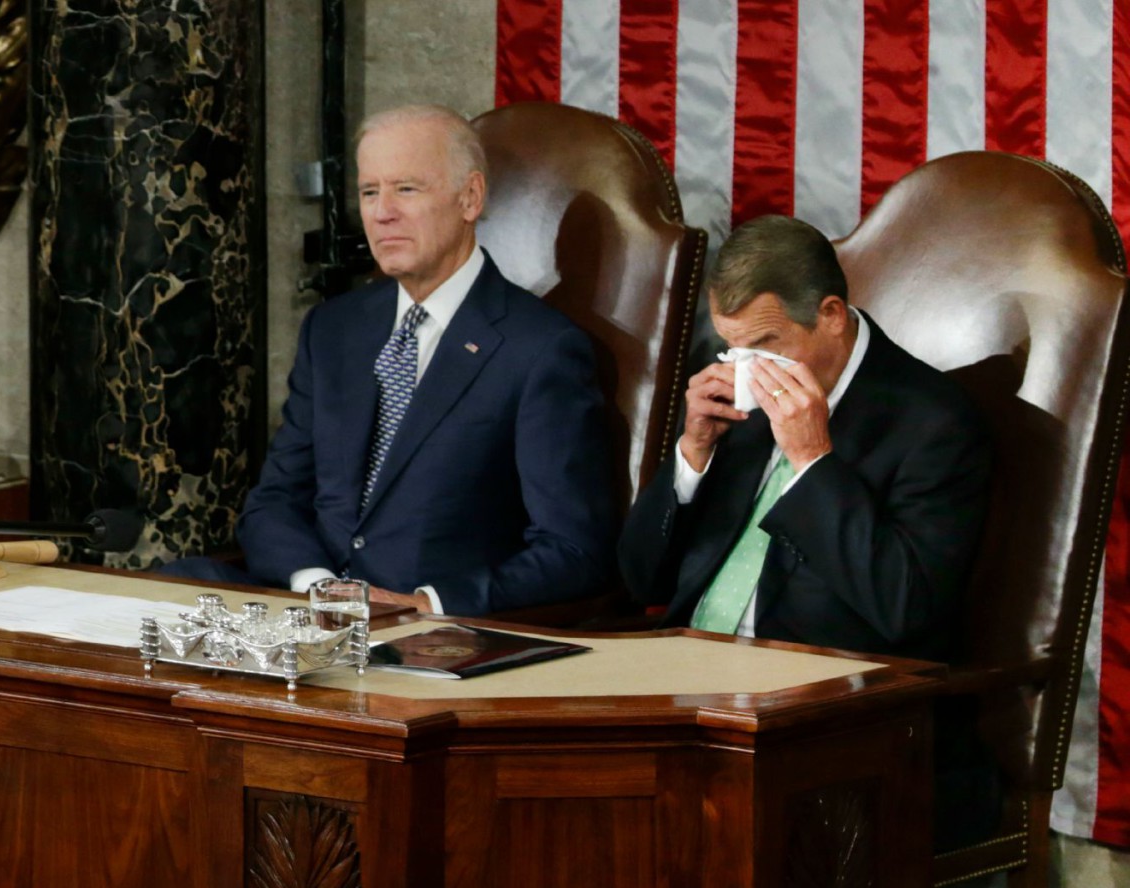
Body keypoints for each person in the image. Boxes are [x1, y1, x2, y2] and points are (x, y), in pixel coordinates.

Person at [163, 104, 616, 615]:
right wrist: (318, 588)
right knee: (163, 587)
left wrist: (425, 605)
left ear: (469, 198)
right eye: (369, 191)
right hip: (307, 610)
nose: (382, 213)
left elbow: (573, 549)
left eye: (406, 189)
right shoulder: (333, 328)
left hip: (427, 634)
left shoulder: (540, 349)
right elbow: (274, 502)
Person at [618, 215, 992, 662]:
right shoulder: (738, 394)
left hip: (817, 693)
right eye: (733, 347)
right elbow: (642, 581)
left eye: (764, 344)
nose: (748, 367)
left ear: (830, 315)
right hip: (686, 663)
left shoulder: (934, 422)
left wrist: (813, 462)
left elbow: (905, 609)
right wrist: (693, 453)